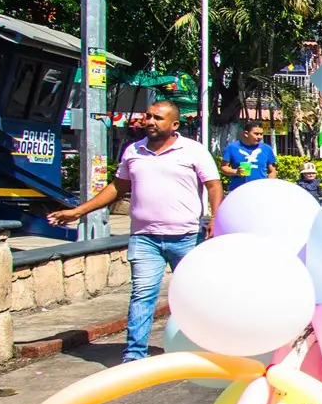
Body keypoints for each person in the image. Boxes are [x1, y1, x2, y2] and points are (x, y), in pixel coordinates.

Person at [46, 101, 222, 363]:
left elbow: (213, 185)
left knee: (194, 295)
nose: (150, 121)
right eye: (148, 116)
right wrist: (78, 211)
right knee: (142, 295)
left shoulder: (193, 151)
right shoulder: (134, 151)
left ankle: (208, 349)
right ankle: (134, 356)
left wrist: (215, 218)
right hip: (144, 238)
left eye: (158, 118)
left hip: (185, 238)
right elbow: (117, 188)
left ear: (174, 124)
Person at [219, 120, 277, 190]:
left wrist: (269, 186)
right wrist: (236, 172)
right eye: (256, 134)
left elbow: (272, 171)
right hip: (238, 191)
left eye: (261, 134)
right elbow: (223, 167)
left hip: (260, 191)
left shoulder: (266, 148)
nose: (259, 137)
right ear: (246, 133)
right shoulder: (232, 147)